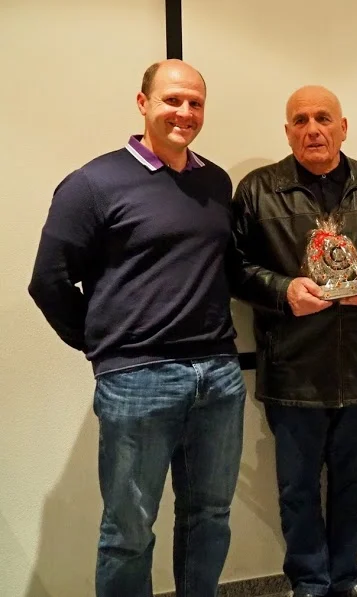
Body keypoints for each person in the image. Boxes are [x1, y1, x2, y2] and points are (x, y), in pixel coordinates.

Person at [28, 59, 244, 597]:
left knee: (210, 517)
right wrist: (104, 344)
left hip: (219, 375)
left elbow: (227, 268)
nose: (185, 112)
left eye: (195, 102)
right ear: (143, 103)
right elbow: (48, 280)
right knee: (128, 532)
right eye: (173, 100)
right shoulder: (93, 184)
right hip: (139, 380)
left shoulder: (216, 181)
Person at [229, 85, 357, 597]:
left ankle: (346, 576)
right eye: (300, 121)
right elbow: (232, 269)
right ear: (287, 132)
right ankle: (309, 581)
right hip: (292, 368)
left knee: (356, 480)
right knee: (297, 488)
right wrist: (283, 291)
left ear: (343, 127)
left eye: (323, 118)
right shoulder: (257, 190)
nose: (313, 130)